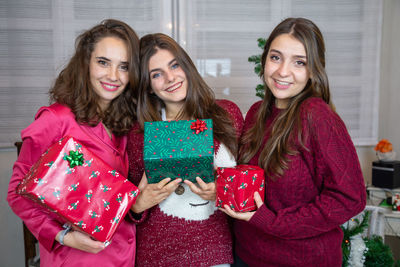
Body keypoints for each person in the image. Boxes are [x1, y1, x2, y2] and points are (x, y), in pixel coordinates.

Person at [221, 18, 366, 266]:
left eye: (299, 62)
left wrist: (270, 221)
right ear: (264, 60)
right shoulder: (257, 113)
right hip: (246, 255)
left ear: (313, 70)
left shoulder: (317, 117)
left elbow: (350, 198)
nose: (283, 71)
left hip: (301, 260)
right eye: (276, 57)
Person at [7, 19, 140, 267]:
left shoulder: (125, 124)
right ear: (85, 64)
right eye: (103, 62)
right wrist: (64, 237)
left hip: (124, 255)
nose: (113, 76)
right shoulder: (56, 119)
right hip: (76, 258)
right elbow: (17, 193)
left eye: (124, 67)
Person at [127, 33, 244, 266]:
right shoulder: (139, 134)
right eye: (157, 74)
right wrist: (138, 205)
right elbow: (128, 205)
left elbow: (248, 180)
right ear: (148, 86)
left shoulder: (227, 115)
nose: (170, 78)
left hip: (214, 250)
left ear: (187, 66)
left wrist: (222, 191)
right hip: (158, 254)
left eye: (175, 65)